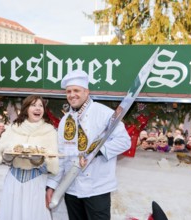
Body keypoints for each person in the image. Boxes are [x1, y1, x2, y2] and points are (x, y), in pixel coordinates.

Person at [46, 70, 131, 220]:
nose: (72, 95)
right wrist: (52, 185)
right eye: (69, 91)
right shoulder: (65, 121)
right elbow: (61, 155)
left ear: (86, 91)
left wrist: (97, 151)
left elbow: (124, 141)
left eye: (76, 90)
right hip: (70, 188)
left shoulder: (104, 113)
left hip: (97, 188)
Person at [0, 95, 59, 220]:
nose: (38, 108)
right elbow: (2, 154)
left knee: (33, 214)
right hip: (13, 180)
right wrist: (7, 156)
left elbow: (53, 162)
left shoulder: (50, 131)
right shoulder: (14, 128)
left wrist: (38, 161)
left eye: (41, 106)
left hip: (35, 181)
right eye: (33, 105)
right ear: (26, 109)